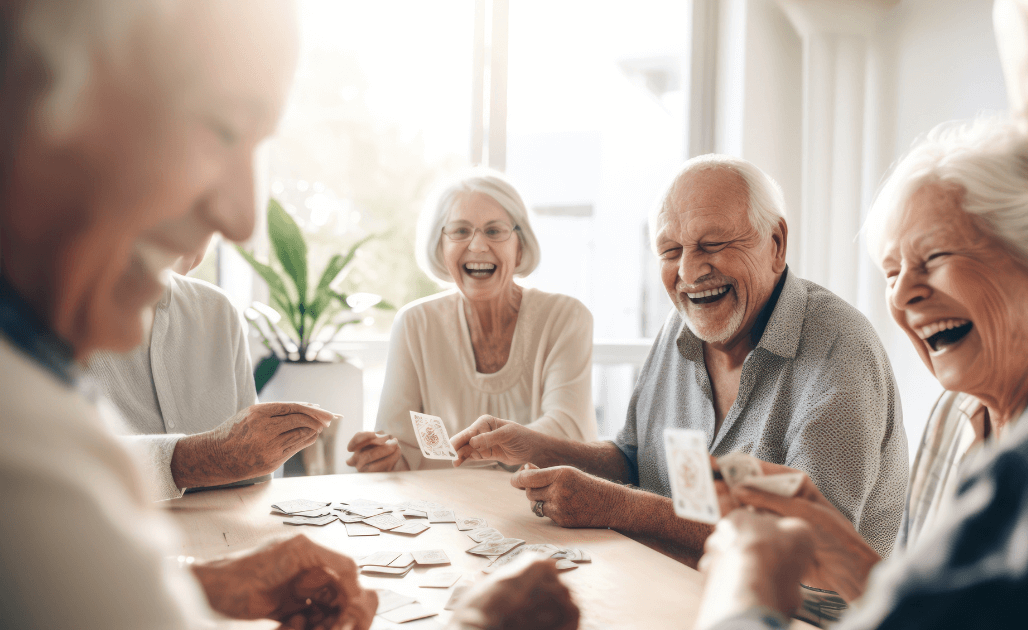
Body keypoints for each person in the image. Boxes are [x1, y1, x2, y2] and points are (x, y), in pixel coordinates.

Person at [694, 0, 1028, 627]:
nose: (903, 296)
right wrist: (835, 543)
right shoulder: (952, 417)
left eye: (933, 257)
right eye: (890, 272)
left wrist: (746, 584)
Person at [0, 1, 381, 627]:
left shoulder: (40, 377)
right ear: (33, 103)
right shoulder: (28, 443)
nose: (242, 217)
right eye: (222, 129)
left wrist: (207, 587)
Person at [452, 154, 908, 561]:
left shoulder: (841, 348)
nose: (689, 272)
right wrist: (535, 446)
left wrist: (618, 506)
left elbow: (808, 545)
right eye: (671, 251)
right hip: (679, 591)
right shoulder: (682, 325)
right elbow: (635, 461)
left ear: (776, 244)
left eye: (712, 245)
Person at [345, 169, 598, 473]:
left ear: (520, 248)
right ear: (441, 249)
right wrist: (381, 458)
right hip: (441, 515)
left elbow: (567, 433)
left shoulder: (566, 318)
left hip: (538, 511)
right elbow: (400, 451)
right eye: (460, 231)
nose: (477, 246)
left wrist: (484, 445)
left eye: (494, 231)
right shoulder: (415, 324)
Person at [85, 234, 334, 500]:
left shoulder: (219, 311)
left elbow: (253, 481)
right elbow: (61, 462)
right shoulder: (60, 313)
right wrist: (206, 457)